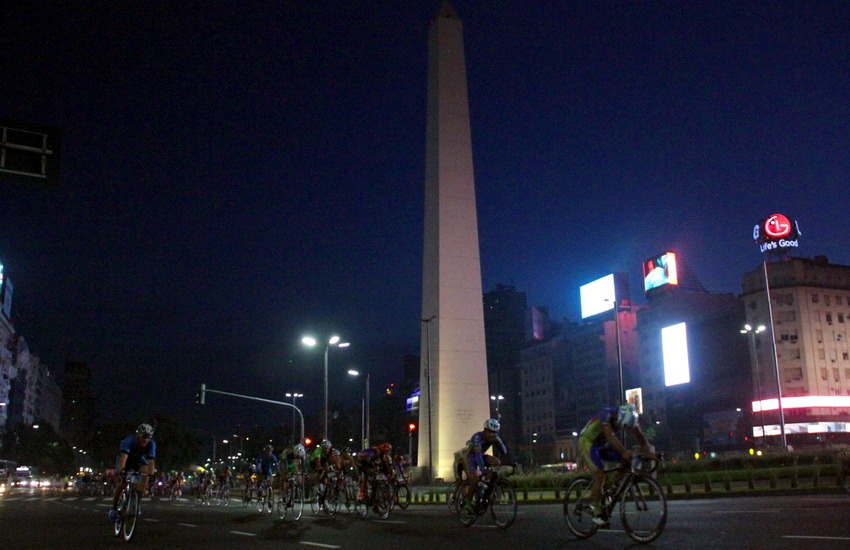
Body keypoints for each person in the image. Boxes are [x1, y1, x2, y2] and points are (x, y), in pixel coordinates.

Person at [578, 403, 654, 527]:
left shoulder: (631, 420)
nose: (621, 428)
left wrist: (651, 454)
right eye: (620, 425)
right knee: (600, 475)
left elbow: (641, 438)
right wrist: (624, 452)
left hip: (601, 446)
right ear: (619, 417)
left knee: (626, 461)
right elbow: (611, 436)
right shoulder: (606, 414)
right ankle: (597, 513)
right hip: (587, 442)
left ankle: (607, 489)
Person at [458, 418, 509, 515]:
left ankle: (486, 487)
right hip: (471, 457)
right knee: (475, 479)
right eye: (490, 432)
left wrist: (499, 442)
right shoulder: (477, 437)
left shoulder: (494, 437)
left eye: (495, 432)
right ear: (485, 430)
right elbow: (477, 456)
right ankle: (468, 502)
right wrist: (482, 469)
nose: (492, 434)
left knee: (496, 461)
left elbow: (504, 452)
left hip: (480, 455)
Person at [108, 423, 156, 522]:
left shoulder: (152, 444)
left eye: (148, 437)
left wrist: (151, 475)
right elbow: (123, 459)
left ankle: (137, 500)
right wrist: (122, 472)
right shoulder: (129, 440)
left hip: (138, 459)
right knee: (122, 483)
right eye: (143, 436)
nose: (145, 440)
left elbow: (151, 461)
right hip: (126, 458)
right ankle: (113, 508)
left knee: (146, 472)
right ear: (138, 435)